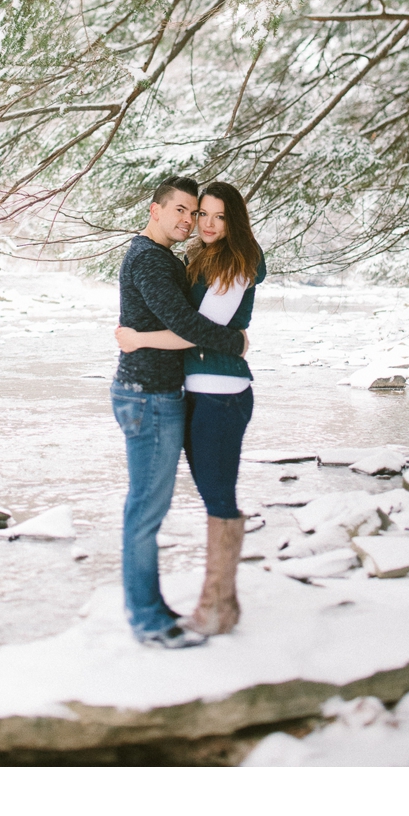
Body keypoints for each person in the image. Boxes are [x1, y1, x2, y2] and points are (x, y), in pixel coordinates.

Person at [116, 181, 266, 636]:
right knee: (162, 504)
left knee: (215, 496)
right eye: (200, 214)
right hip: (175, 392)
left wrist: (139, 339)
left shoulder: (232, 265)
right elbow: (187, 324)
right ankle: (161, 612)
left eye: (217, 216)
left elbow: (190, 328)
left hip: (218, 394)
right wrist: (234, 341)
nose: (204, 223)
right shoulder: (175, 259)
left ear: (234, 221)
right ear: (157, 210)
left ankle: (217, 606)